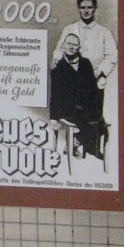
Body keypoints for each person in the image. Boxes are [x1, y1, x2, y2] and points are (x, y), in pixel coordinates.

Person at [49, 31, 108, 161]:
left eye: (74, 45)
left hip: (83, 106)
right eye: (68, 43)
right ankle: (85, 147)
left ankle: (75, 143)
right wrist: (53, 117)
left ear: (79, 47)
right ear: (63, 45)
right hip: (66, 108)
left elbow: (91, 88)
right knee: (94, 121)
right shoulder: (57, 67)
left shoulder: (86, 63)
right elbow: (55, 93)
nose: (71, 47)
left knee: (99, 121)